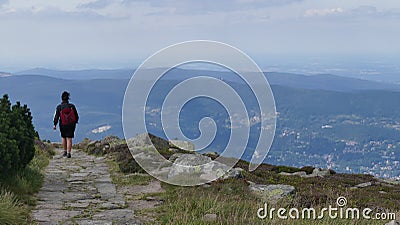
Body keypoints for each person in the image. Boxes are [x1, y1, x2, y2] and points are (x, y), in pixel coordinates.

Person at [53, 91, 79, 158]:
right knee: (69, 138)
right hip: (71, 124)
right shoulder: (72, 106)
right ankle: (69, 153)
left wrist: (55, 124)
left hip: (63, 124)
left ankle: (64, 151)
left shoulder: (59, 107)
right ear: (68, 98)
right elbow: (76, 116)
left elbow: (56, 116)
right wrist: (75, 122)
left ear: (61, 98)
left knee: (63, 137)